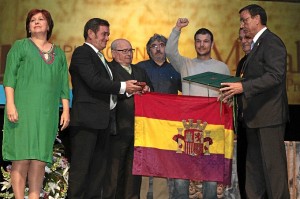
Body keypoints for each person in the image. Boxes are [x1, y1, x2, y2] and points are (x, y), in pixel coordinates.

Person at [220, 4, 290, 198]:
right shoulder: (256, 46)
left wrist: (243, 87)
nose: (242, 24)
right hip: (253, 119)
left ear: (257, 19)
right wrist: (234, 91)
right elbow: (253, 80)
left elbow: (275, 76)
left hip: (269, 118)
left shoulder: (271, 42)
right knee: (254, 173)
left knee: (274, 172)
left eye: (245, 20)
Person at [68, 19, 142, 199]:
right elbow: (94, 82)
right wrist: (123, 86)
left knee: (97, 174)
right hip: (87, 122)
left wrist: (131, 89)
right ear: (91, 34)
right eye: (104, 34)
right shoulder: (82, 53)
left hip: (103, 123)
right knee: (81, 172)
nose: (107, 38)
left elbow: (108, 89)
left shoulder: (101, 58)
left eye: (108, 34)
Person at [2, 9, 70, 199]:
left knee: (40, 159)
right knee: (21, 157)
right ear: (28, 27)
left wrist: (65, 109)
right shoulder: (20, 46)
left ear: (49, 26)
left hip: (47, 114)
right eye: (32, 20)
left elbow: (64, 84)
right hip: (22, 110)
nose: (37, 22)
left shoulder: (59, 53)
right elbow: (9, 78)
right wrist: (11, 104)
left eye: (41, 19)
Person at [165, 18, 230, 199]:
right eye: (198, 41)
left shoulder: (222, 68)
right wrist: (177, 28)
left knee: (210, 175)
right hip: (188, 127)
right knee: (182, 174)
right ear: (194, 43)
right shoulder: (185, 64)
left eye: (206, 41)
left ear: (212, 44)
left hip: (212, 128)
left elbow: (227, 98)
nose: (202, 45)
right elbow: (170, 51)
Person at [103, 38, 152, 199]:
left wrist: (147, 89)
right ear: (114, 53)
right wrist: (128, 90)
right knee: (115, 171)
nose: (128, 54)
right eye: (124, 51)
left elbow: (151, 90)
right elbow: (107, 93)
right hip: (117, 127)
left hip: (137, 128)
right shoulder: (108, 69)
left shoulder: (140, 70)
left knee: (134, 170)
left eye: (130, 50)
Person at [137, 34, 184, 199]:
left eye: (162, 45)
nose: (158, 48)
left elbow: (187, 93)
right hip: (144, 122)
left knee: (161, 161)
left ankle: (161, 196)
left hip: (167, 124)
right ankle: (139, 196)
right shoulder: (139, 68)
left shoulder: (176, 69)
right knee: (141, 161)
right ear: (148, 50)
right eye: (154, 46)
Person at [235, 28, 252, 199]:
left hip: (258, 124)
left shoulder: (261, 60)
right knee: (243, 172)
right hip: (243, 125)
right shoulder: (242, 63)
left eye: (247, 37)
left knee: (257, 172)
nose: (244, 41)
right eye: (241, 39)